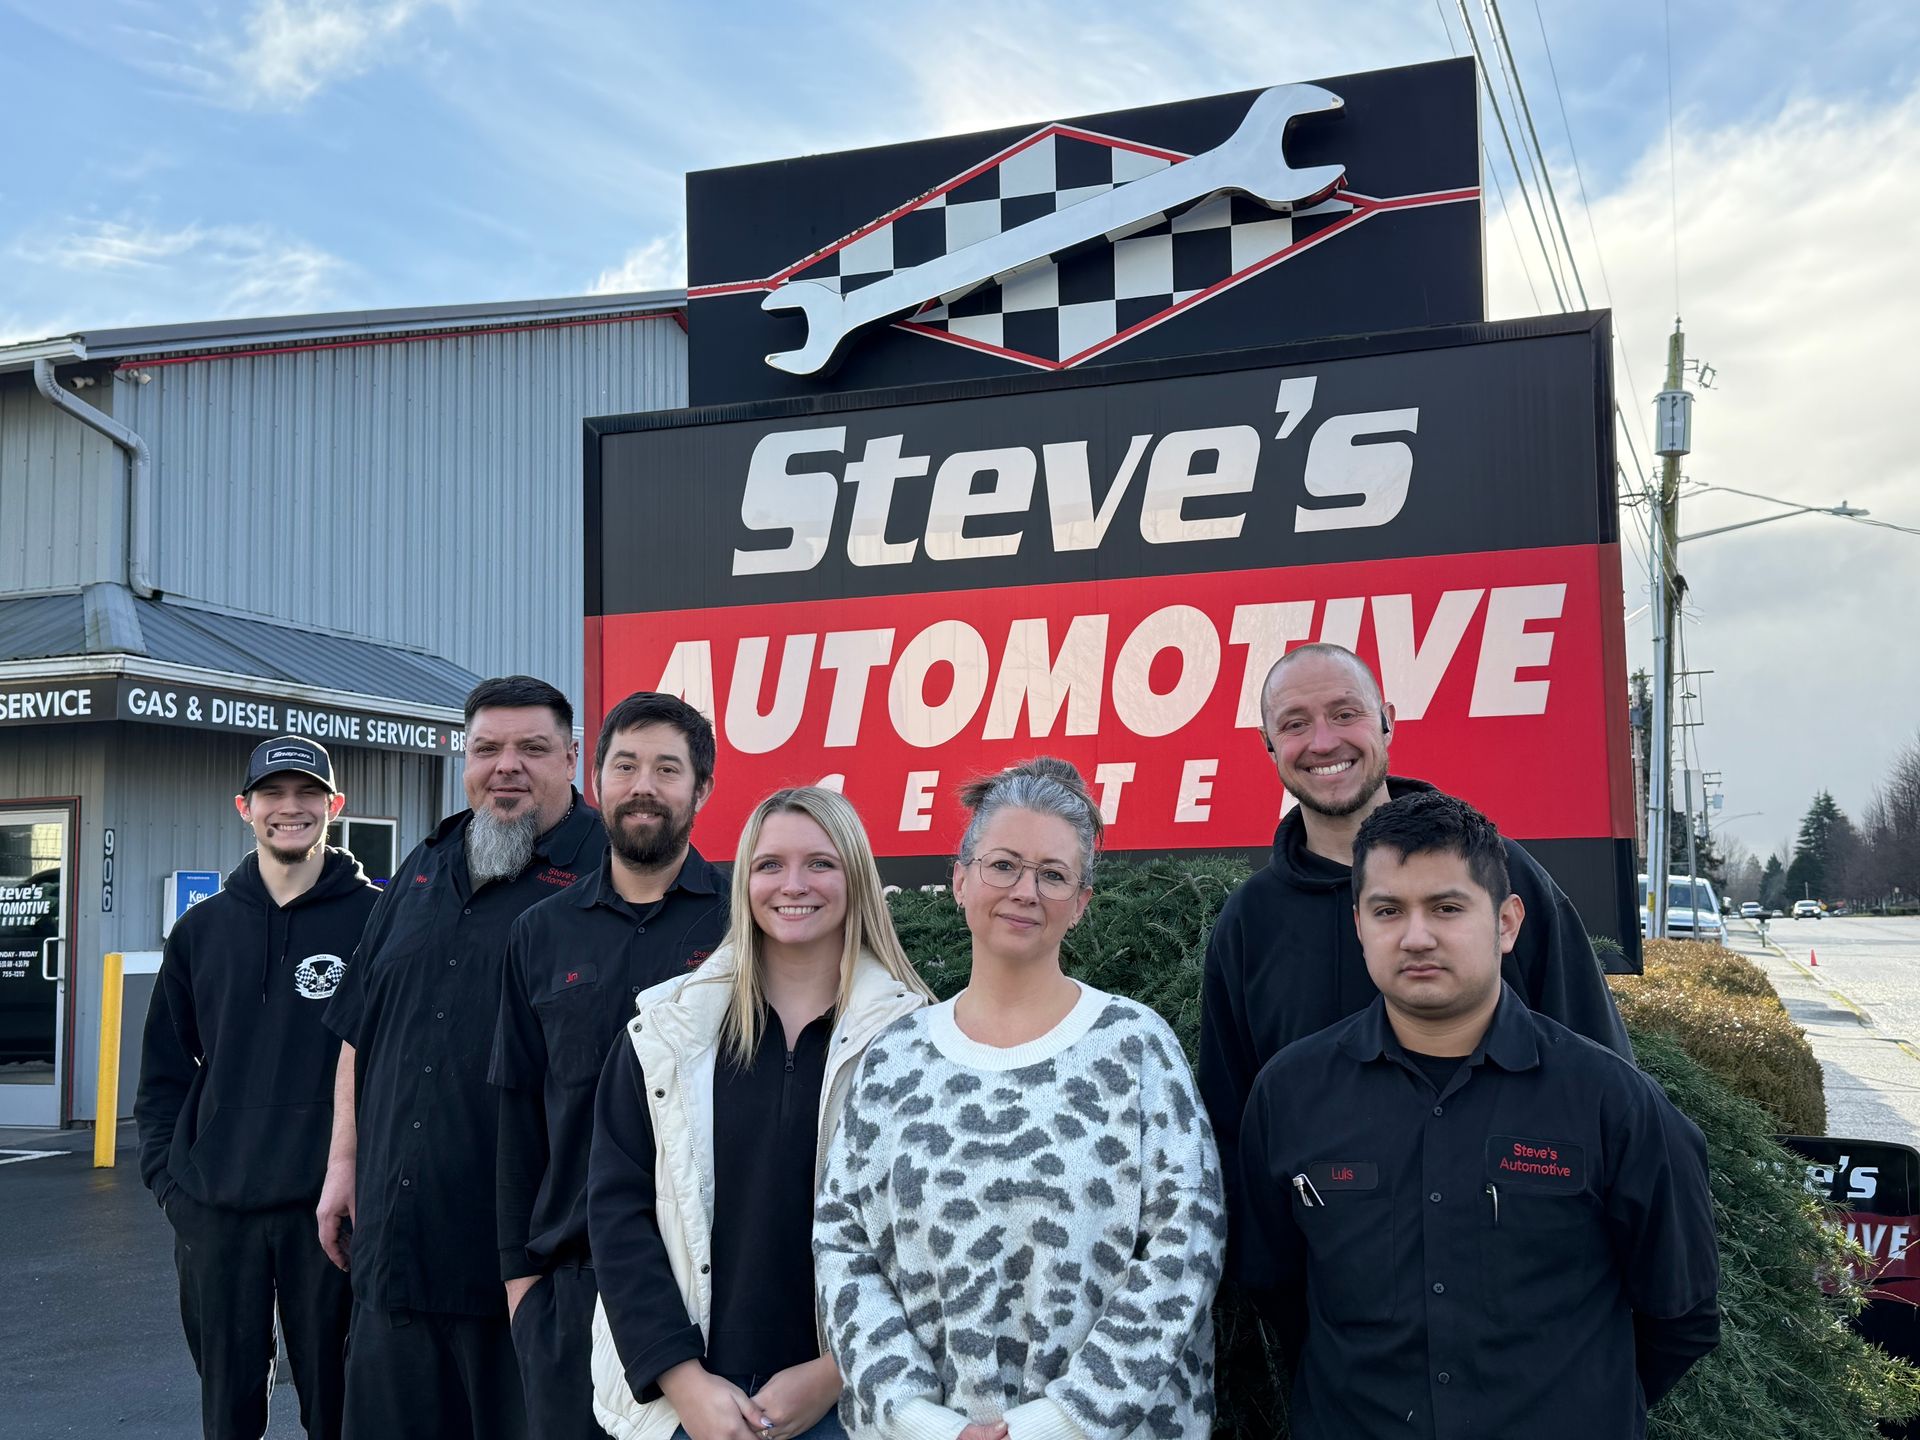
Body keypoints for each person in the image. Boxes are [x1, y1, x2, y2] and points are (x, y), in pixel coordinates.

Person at [1237, 790, 1719, 1439]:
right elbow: (1279, 1290)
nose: (1416, 936)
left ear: (1507, 922)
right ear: (1359, 924)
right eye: (1388, 910)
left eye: (1446, 907)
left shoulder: (1614, 1105)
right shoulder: (1287, 1097)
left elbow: (1680, 1315)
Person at [815, 758, 1225, 1440]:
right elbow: (843, 1247)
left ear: (1082, 903)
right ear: (960, 879)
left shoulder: (1134, 1048)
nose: (1024, 890)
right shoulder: (893, 1060)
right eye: (1003, 864)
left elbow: (1187, 1249)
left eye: (1053, 874)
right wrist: (922, 1422)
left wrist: (1060, 1422)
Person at [1200, 642, 1631, 1227]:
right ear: (1269, 744)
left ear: (1387, 721)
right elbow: (1232, 1128)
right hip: (1333, 1296)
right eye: (1295, 724)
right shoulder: (1251, 921)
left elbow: (1600, 1067)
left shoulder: (1496, 872)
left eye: (1346, 713)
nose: (1323, 741)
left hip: (1521, 1271)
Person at [589, 786, 935, 1440]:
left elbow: (934, 1237)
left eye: (820, 863)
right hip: (688, 1408)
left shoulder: (917, 1043)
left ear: (856, 877)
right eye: (770, 864)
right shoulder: (667, 1034)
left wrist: (835, 1372)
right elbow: (616, 1210)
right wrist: (685, 1382)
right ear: (744, 879)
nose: (793, 884)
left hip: (852, 1407)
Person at [318, 676, 606, 1440]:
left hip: (530, 1278)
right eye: (487, 748)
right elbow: (360, 1028)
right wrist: (341, 1166)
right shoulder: (420, 868)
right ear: (464, 757)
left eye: (533, 748)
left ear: (572, 757)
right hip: (395, 1260)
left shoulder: (613, 875)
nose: (506, 765)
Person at [491, 693, 729, 1440]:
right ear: (596, 782)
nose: (644, 786)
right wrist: (521, 1289)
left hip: (707, 1293)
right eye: (625, 766)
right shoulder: (540, 933)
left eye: (667, 768)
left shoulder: (741, 926)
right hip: (569, 1293)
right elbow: (515, 1114)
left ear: (702, 789)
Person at [135, 736, 380, 1440]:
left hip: (329, 1215)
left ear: (335, 806)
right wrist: (172, 1187)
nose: (290, 808)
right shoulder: (202, 930)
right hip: (217, 1211)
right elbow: (163, 1075)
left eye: (308, 794)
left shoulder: (376, 921)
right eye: (272, 794)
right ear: (246, 808)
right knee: (228, 1410)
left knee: (338, 1408)